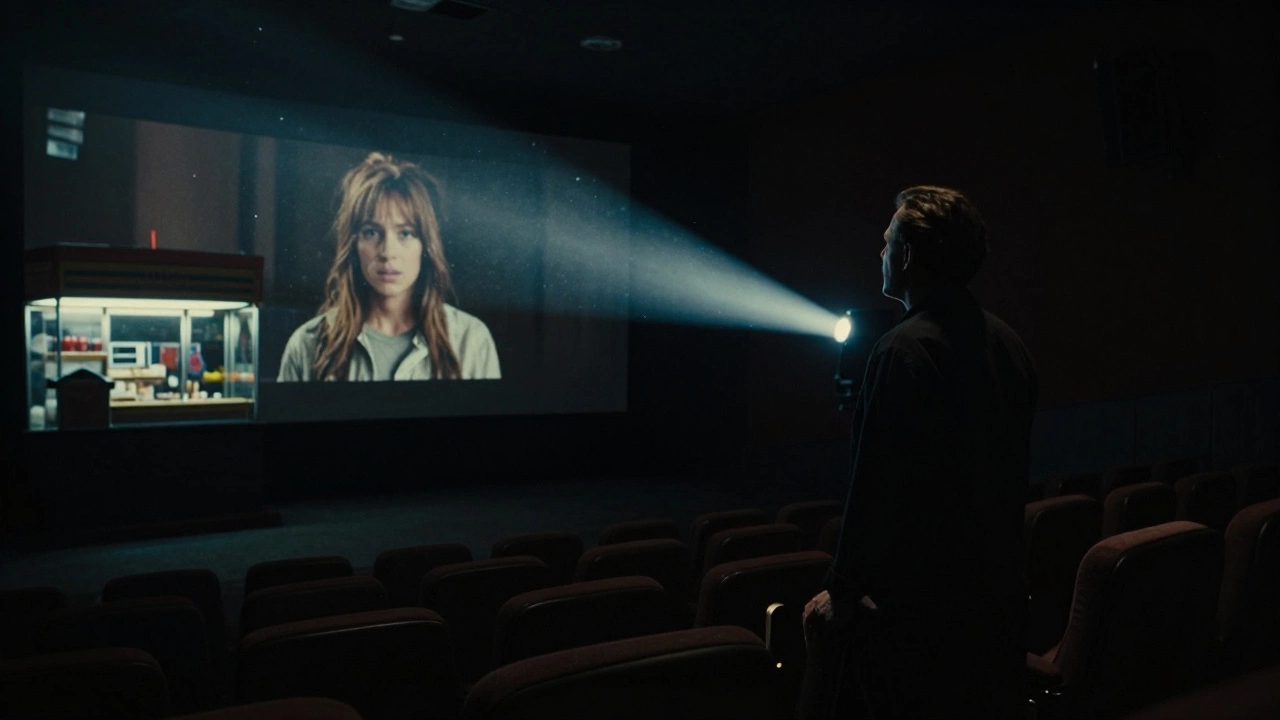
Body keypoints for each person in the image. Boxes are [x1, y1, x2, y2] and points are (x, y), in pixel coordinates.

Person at [799, 186, 1037, 719]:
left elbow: (874, 486)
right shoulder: (1010, 344)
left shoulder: (900, 351)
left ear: (907, 255)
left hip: (919, 628)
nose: (880, 252)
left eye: (888, 242)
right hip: (992, 612)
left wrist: (841, 592)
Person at [278, 152, 500, 382]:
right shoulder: (307, 345)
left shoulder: (470, 340)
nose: (387, 252)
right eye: (371, 232)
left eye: (405, 233)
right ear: (353, 244)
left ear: (426, 245)